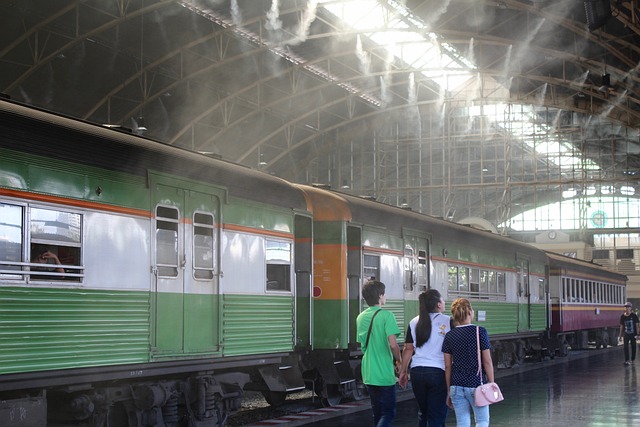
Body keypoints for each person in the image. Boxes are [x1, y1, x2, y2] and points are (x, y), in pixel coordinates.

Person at [398, 289, 451, 427]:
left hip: (417, 372)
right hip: (438, 373)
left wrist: (403, 372)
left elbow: (408, 349)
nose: (444, 302)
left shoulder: (414, 322)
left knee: (423, 413)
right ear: (438, 304)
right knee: (436, 416)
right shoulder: (448, 321)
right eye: (442, 300)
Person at [442, 298, 495, 427]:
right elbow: (487, 361)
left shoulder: (449, 335)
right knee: (482, 421)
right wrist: (491, 383)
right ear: (470, 312)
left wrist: (449, 390)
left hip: (456, 385)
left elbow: (448, 366)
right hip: (476, 384)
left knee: (462, 422)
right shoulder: (479, 331)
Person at [357, 279, 402, 427]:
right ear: (380, 296)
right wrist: (399, 360)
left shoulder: (360, 317)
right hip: (383, 372)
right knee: (389, 413)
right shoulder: (386, 316)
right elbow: (393, 344)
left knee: (377, 413)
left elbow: (363, 346)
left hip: (369, 372)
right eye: (384, 294)